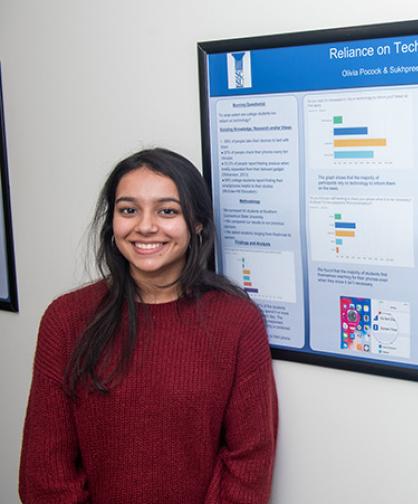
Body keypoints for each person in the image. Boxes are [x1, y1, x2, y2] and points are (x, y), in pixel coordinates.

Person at [19, 148, 278, 503]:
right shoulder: (66, 319)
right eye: (129, 210)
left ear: (197, 222)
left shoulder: (237, 321)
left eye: (167, 210)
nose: (145, 226)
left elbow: (249, 463)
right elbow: (45, 472)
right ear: (113, 221)